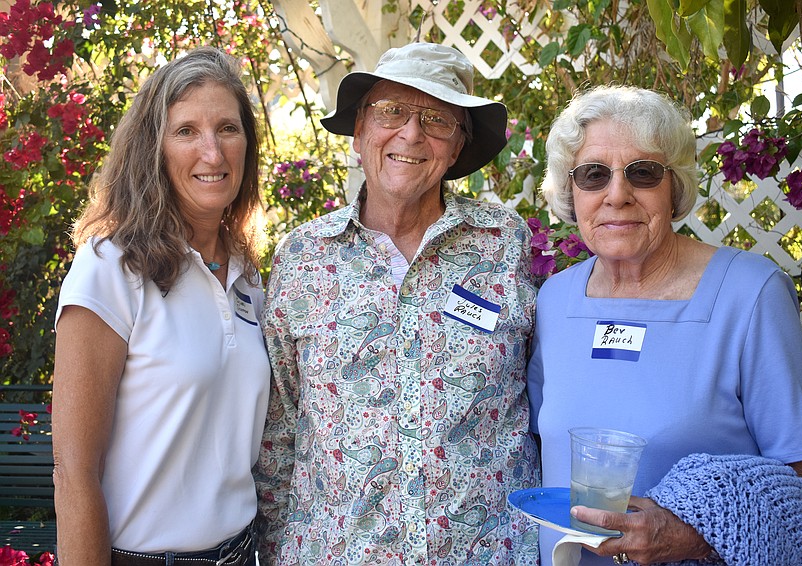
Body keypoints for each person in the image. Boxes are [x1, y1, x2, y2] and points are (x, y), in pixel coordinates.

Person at [255, 42, 541, 565]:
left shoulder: (505, 244)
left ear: (457, 148)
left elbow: (544, 396)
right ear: (360, 130)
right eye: (391, 112)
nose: (411, 134)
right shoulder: (303, 258)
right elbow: (280, 429)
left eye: (436, 120)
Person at [529, 85, 802, 566]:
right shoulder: (554, 300)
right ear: (570, 191)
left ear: (674, 187)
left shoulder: (748, 294)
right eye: (592, 175)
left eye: (643, 173)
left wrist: (692, 532)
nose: (617, 195)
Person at [52, 46, 270, 566]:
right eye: (187, 131)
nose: (212, 153)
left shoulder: (248, 275)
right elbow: (72, 471)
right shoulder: (110, 267)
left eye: (228, 129)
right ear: (154, 148)